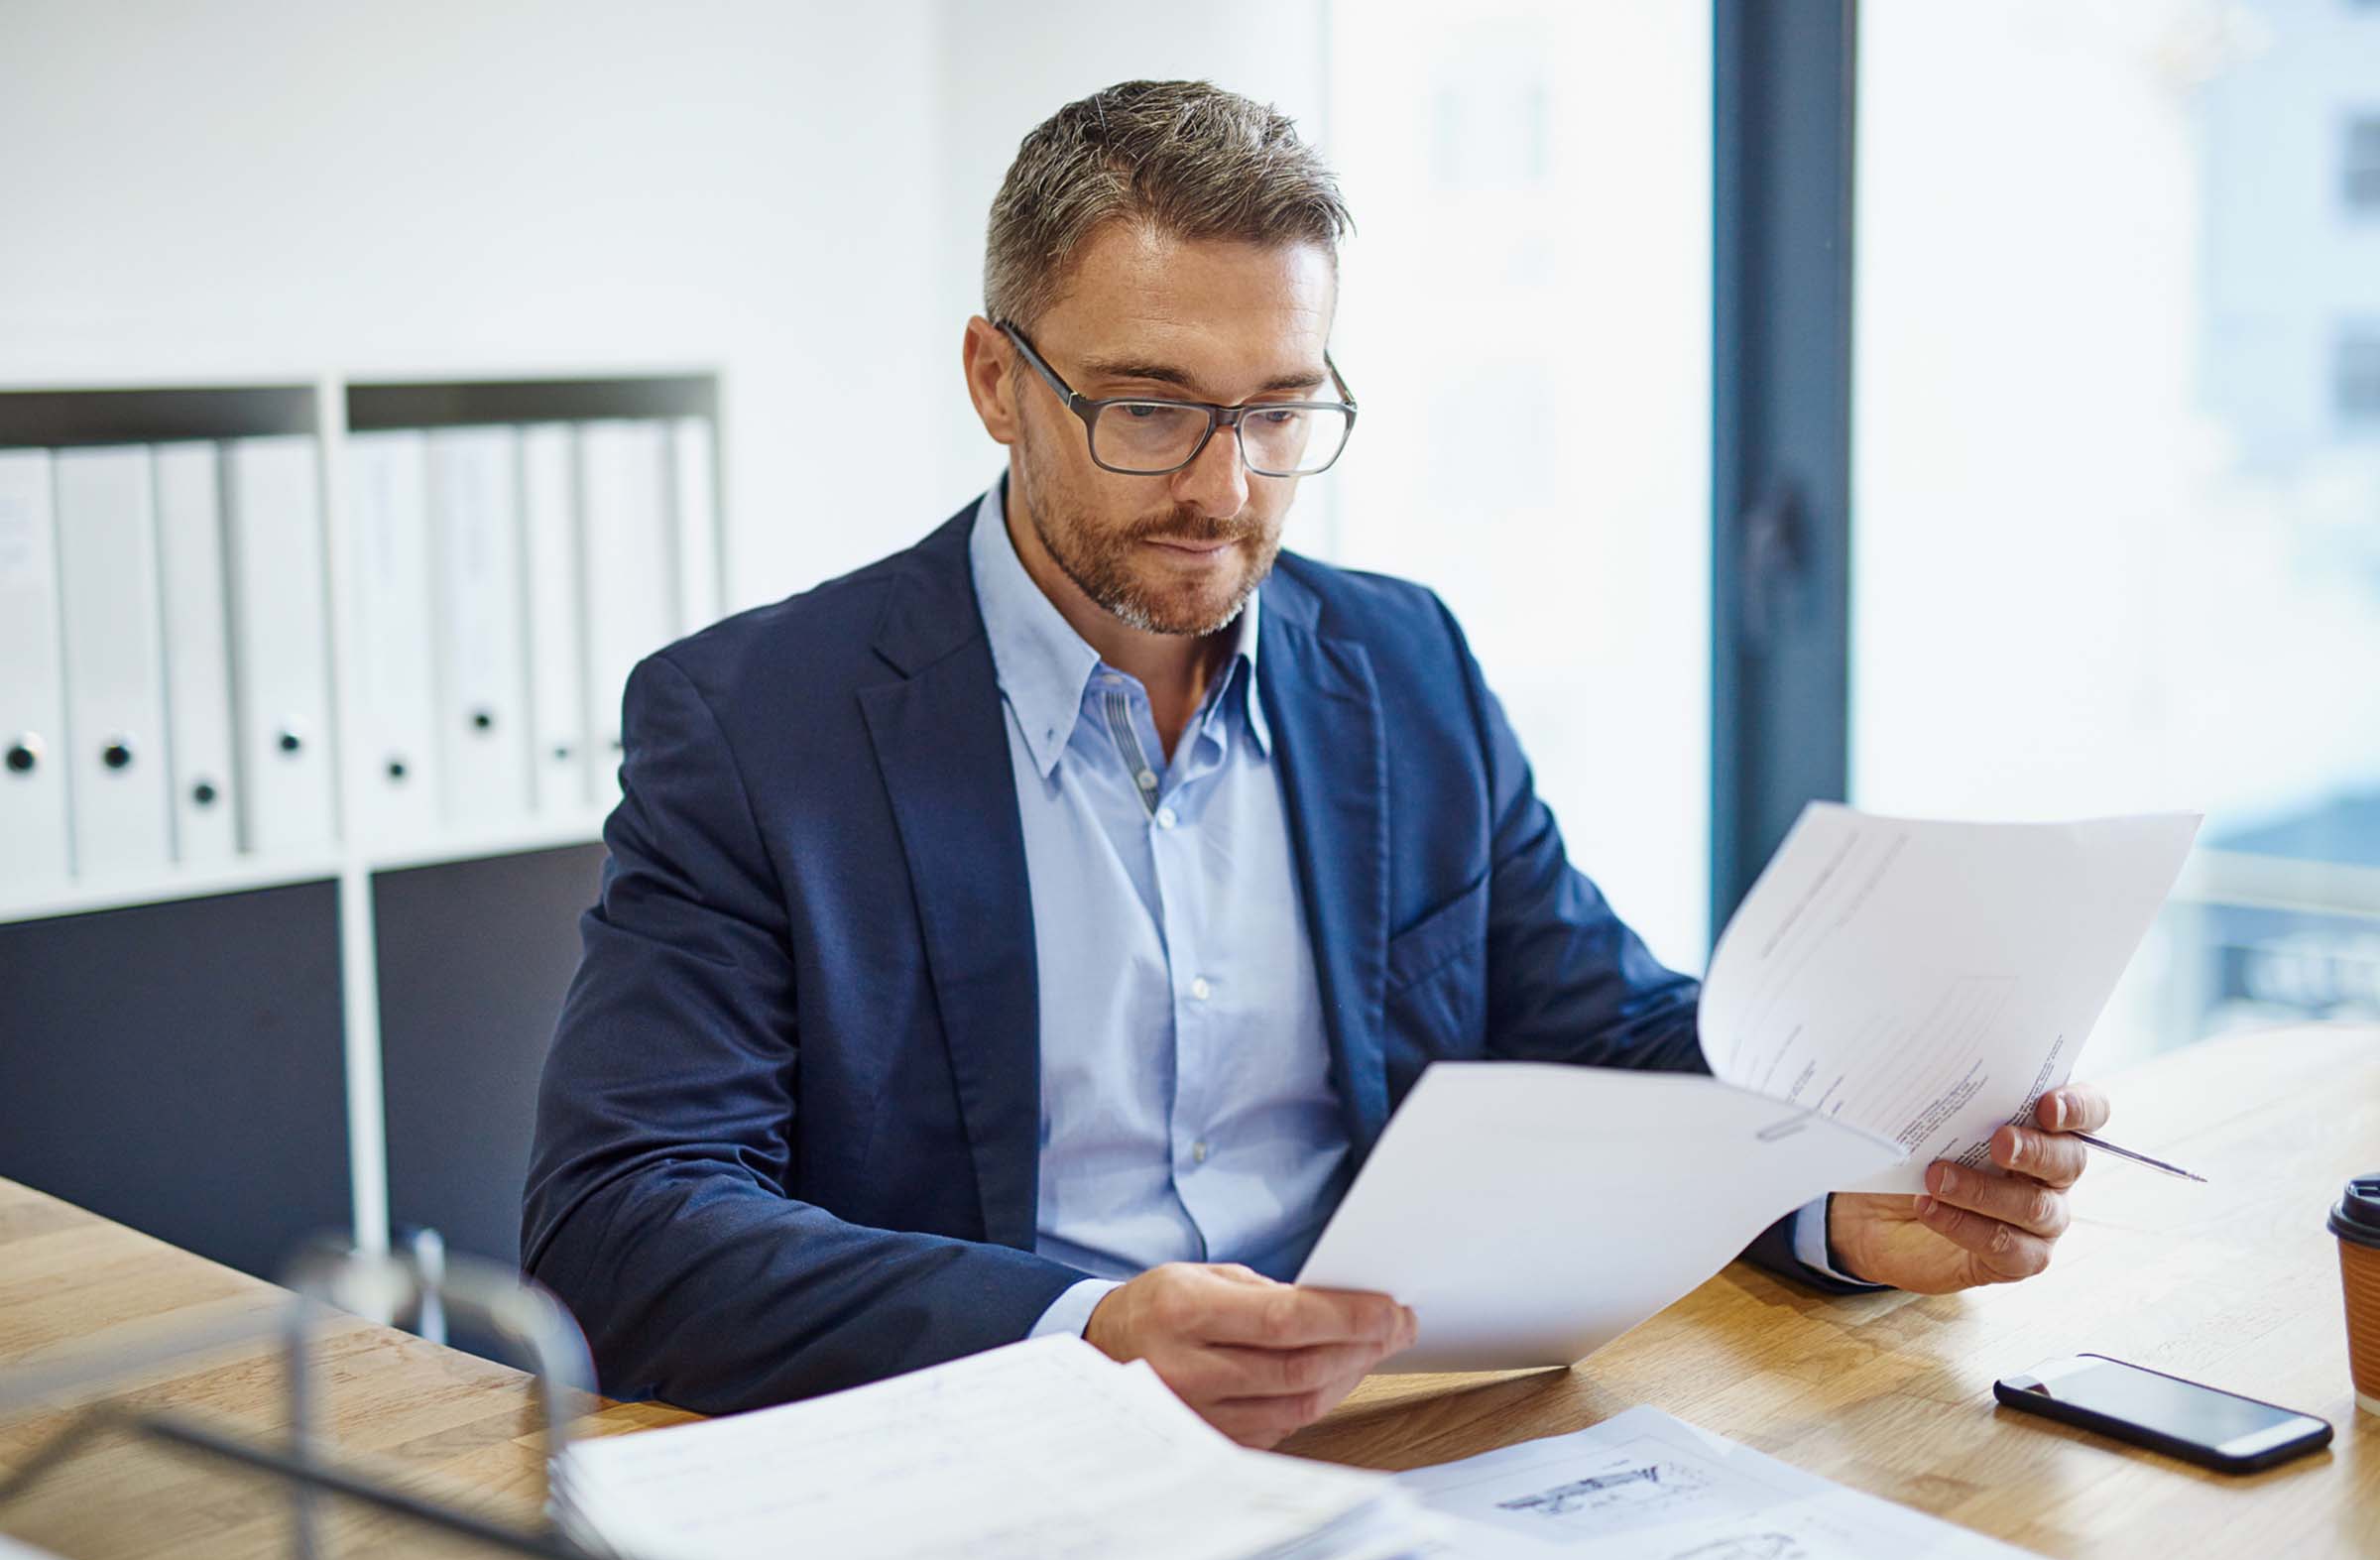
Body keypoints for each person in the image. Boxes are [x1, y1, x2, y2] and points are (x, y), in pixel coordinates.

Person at [522, 78, 2110, 1450]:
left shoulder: (1400, 663)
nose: (1225, 489)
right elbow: (625, 1224)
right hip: (1008, 1470)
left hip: (1392, 1430)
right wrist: (1080, 1329)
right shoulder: (755, 724)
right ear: (998, 382)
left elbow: (1600, 1036)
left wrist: (1838, 1197)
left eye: (1282, 412)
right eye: (1150, 407)